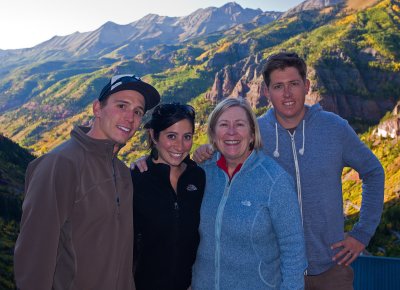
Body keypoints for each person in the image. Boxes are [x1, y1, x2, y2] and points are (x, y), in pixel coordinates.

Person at [193, 52, 385, 290]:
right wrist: (204, 151)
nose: (287, 94)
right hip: (275, 272)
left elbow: (373, 172)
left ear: (306, 86)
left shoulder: (334, 128)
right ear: (266, 91)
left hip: (330, 267)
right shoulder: (255, 132)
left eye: (294, 84)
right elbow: (227, 152)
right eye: (278, 86)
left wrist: (361, 234)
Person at [14, 74, 160, 290]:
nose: (130, 118)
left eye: (138, 112)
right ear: (97, 109)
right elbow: (34, 257)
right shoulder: (60, 164)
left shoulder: (121, 172)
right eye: (122, 105)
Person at [191, 97, 307, 289]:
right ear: (213, 133)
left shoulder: (275, 180)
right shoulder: (203, 172)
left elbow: (293, 249)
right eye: (223, 125)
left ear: (252, 134)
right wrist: (146, 161)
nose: (231, 132)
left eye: (239, 124)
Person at [131, 103, 205, 290]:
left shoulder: (198, 177)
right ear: (154, 136)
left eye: (187, 137)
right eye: (171, 136)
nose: (180, 146)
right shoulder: (136, 180)